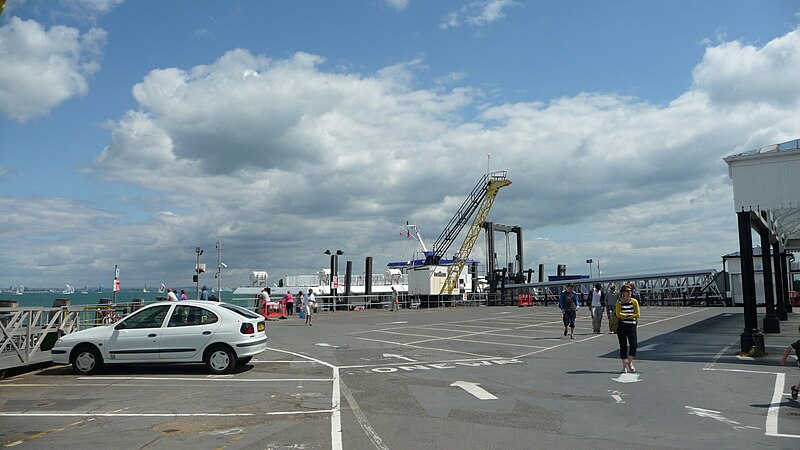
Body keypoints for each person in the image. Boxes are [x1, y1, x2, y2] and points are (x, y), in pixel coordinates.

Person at [616, 284, 641, 373]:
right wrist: (629, 315)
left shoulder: (634, 301)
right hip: (622, 326)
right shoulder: (619, 302)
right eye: (627, 291)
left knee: (634, 345)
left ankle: (630, 362)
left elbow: (638, 314)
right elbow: (618, 314)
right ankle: (624, 366)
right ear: (623, 292)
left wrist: (627, 316)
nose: (629, 292)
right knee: (623, 346)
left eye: (630, 291)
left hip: (632, 326)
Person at [779, 325, 800, 400]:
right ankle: (796, 389)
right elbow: (789, 347)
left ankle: (796, 389)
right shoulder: (799, 343)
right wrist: (784, 359)